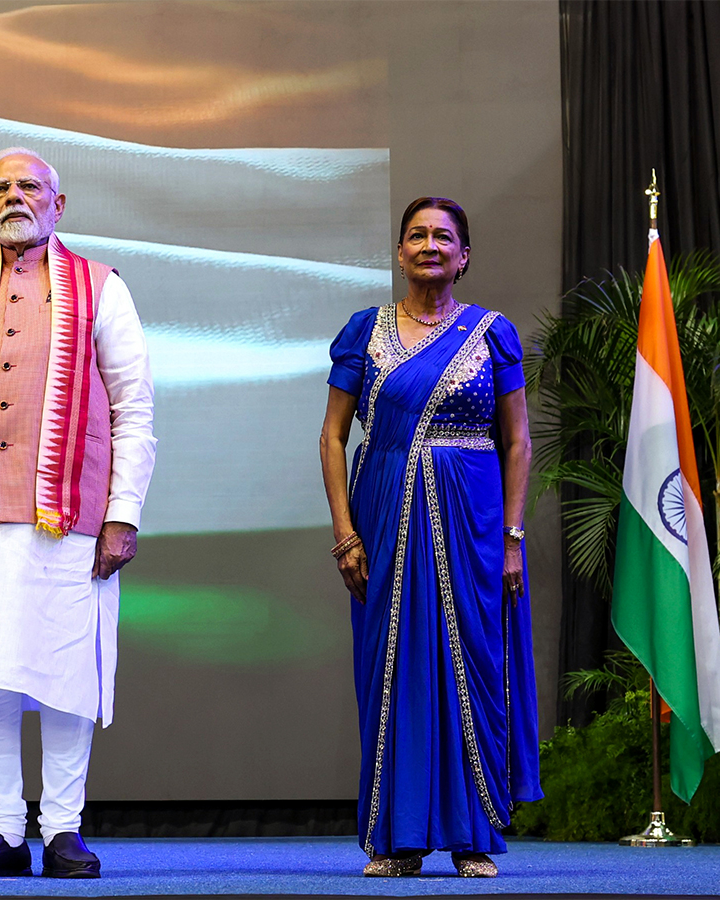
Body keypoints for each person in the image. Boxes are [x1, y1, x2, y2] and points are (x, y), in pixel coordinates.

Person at [0, 148, 155, 878]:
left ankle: (64, 830)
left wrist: (123, 515)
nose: (14, 197)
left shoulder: (102, 288)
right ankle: (4, 832)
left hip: (71, 520)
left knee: (67, 673)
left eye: (29, 186)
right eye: (0, 188)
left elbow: (135, 410)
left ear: (59, 203)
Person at [318, 197, 542, 878]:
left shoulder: (492, 333)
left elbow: (519, 440)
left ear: (465, 256)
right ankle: (396, 837)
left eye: (444, 237)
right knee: (393, 667)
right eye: (417, 235)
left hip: (474, 519)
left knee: (473, 664)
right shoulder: (366, 330)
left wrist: (510, 538)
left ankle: (473, 836)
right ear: (399, 251)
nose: (430, 245)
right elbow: (332, 436)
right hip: (384, 512)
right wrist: (344, 532)